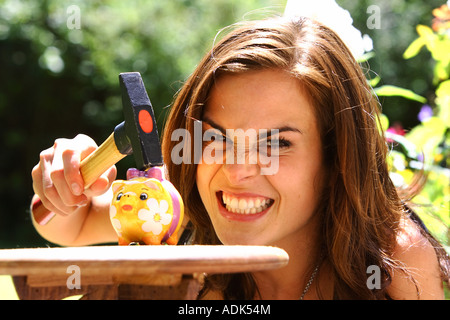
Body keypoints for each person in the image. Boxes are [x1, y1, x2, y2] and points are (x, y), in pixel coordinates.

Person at [31, 16, 449, 299]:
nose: (236, 170)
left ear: (336, 155)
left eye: (276, 143)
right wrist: (64, 182)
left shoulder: (395, 262)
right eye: (216, 138)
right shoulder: (173, 209)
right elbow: (69, 222)